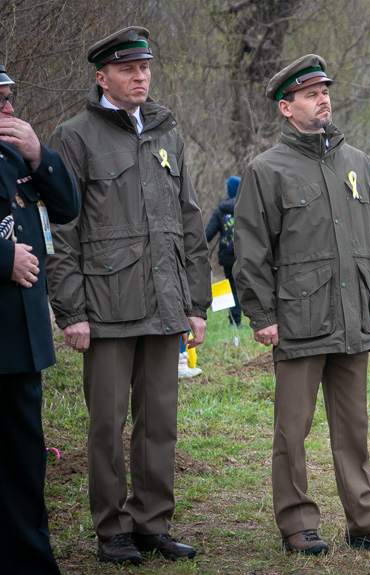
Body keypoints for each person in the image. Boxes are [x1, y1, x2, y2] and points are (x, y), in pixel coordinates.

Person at [232, 53, 370, 556]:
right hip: (298, 321)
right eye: (310, 94)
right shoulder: (266, 170)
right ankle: (297, 523)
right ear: (286, 108)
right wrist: (263, 315)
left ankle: (365, 521)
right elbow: (249, 251)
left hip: (353, 318)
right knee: (292, 430)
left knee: (353, 429)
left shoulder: (357, 162)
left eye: (324, 91)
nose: (323, 100)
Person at [45, 27, 211, 565]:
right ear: (102, 77)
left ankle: (151, 524)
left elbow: (189, 220)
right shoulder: (75, 135)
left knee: (159, 422)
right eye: (126, 70)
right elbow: (62, 230)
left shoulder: (168, 131)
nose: (139, 77)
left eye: (144, 68)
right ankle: (111, 528)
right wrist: (71, 310)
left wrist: (196, 302)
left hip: (165, 304)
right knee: (106, 424)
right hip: (107, 306)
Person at [0, 64, 79, 575]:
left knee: (23, 460)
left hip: (19, 339)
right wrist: (3, 259)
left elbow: (67, 207)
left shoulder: (13, 153)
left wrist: (39, 155)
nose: (8, 109)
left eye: (9, 98)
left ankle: (29, 560)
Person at [205, 176, 242, 326]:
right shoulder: (247, 207)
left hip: (227, 257)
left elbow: (207, 234)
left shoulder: (221, 209)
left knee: (232, 287)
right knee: (244, 287)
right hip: (245, 257)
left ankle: (234, 321)